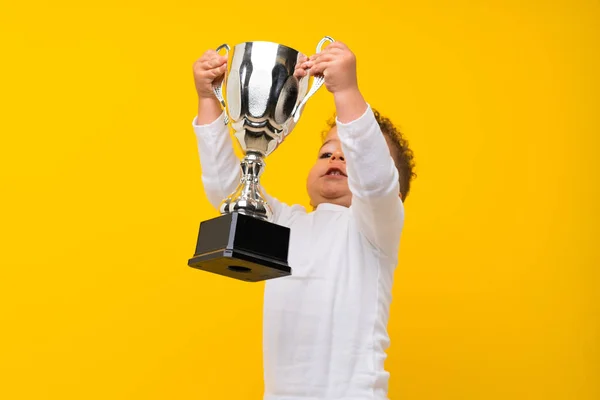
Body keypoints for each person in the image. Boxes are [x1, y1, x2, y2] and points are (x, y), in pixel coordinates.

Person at [192, 41, 416, 400]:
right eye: (326, 152)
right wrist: (208, 100)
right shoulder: (285, 223)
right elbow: (227, 189)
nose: (337, 159)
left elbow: (375, 181)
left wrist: (346, 92)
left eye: (350, 155)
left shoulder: (374, 230)